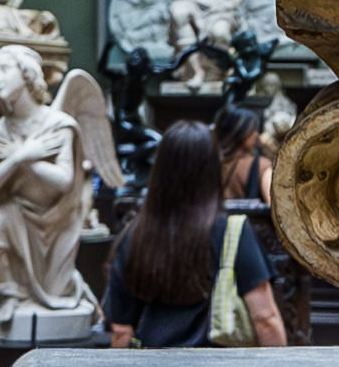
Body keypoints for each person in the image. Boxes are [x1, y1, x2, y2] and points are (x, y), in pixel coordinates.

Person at [104, 122, 286, 349]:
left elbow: (121, 330)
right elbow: (265, 318)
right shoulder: (233, 232)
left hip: (151, 364)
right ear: (213, 169)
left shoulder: (135, 234)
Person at [217, 104, 273, 203]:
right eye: (252, 130)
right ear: (241, 133)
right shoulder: (262, 166)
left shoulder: (210, 165)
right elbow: (277, 207)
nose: (255, 134)